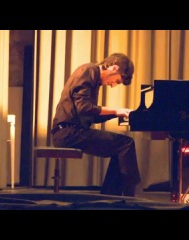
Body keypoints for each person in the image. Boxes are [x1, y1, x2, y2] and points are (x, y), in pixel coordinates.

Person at [51, 53, 141, 197]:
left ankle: (111, 196)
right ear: (113, 68)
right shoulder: (89, 71)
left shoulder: (92, 76)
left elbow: (89, 115)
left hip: (73, 131)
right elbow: (83, 107)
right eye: (116, 81)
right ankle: (129, 194)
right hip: (67, 133)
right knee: (126, 144)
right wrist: (115, 110)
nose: (112, 86)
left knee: (121, 148)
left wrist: (117, 113)